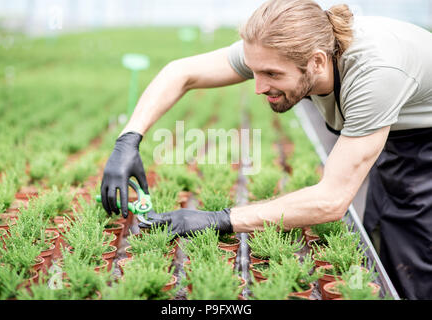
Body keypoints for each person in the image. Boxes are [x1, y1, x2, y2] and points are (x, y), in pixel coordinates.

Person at [100, 0, 432, 299]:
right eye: (254, 70)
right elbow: (181, 72)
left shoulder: (375, 75)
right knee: (383, 231)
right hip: (398, 134)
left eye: (272, 74)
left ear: (317, 62)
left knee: (416, 258)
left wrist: (220, 219)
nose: (259, 87)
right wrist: (129, 138)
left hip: (425, 149)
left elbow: (331, 200)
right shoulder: (290, 50)